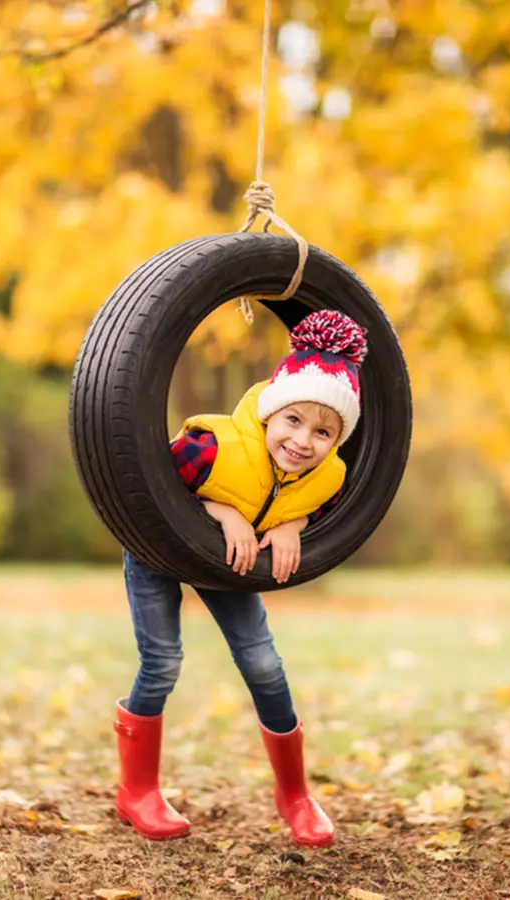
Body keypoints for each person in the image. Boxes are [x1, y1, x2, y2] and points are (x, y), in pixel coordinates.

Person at [112, 309, 368, 848]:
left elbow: (324, 509)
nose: (303, 441)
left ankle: (295, 795)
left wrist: (295, 522)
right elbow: (151, 486)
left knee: (263, 663)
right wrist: (218, 507)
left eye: (324, 432)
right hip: (157, 551)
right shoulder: (214, 445)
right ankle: (137, 791)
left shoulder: (329, 477)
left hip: (226, 564)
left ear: (337, 440)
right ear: (270, 413)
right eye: (292, 421)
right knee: (162, 663)